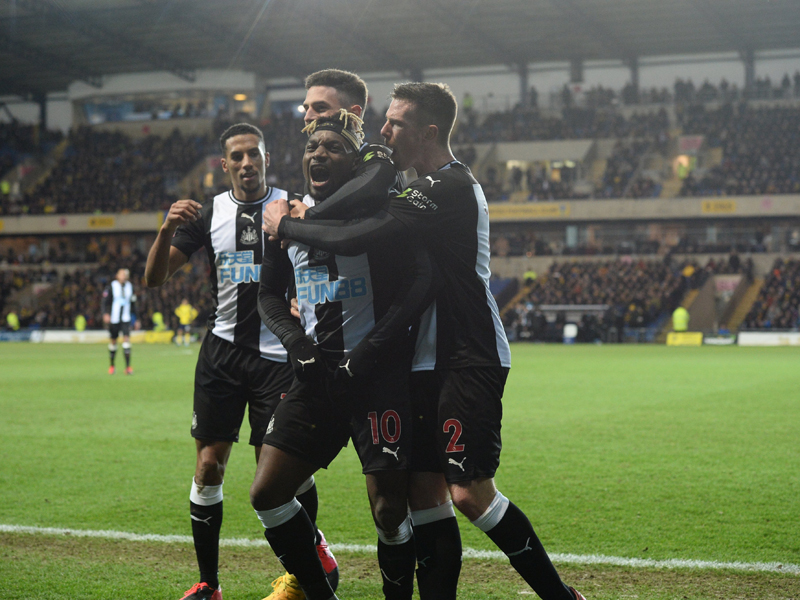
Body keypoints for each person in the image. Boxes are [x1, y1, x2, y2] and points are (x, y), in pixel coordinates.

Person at [263, 82, 587, 600]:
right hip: (418, 359)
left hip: (467, 353)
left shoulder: (449, 186)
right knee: (424, 495)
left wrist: (289, 225)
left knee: (469, 494)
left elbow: (356, 235)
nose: (383, 131)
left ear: (428, 132)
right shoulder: (407, 184)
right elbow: (361, 198)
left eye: (395, 124)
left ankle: (562, 596)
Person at [144, 123, 337, 600]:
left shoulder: (295, 206)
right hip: (223, 355)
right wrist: (167, 226)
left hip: (278, 358)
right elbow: (154, 278)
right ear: (225, 164)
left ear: (266, 158)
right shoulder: (208, 215)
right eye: (237, 156)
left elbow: (323, 270)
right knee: (208, 467)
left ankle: (307, 564)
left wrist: (304, 305)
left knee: (279, 474)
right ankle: (209, 583)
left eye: (254, 154)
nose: (247, 163)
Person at [252, 113, 436, 600]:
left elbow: (419, 282)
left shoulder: (374, 213)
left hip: (376, 380)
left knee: (389, 511)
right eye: (313, 147)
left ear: (355, 160)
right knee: (266, 493)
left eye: (333, 146)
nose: (318, 154)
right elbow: (268, 295)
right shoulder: (284, 217)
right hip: (317, 380)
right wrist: (296, 343)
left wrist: (374, 350)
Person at [295, 69, 463, 600]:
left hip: (410, 355)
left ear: (352, 115)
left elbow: (369, 235)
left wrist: (297, 222)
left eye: (320, 109)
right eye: (306, 110)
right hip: (360, 355)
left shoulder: (378, 163)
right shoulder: (327, 168)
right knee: (282, 473)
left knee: (438, 495)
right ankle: (305, 570)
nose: (308, 117)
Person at [102, 268, 135, 375]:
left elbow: (133, 303)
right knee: (113, 341)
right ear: (117, 276)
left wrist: (137, 318)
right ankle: (112, 366)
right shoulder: (111, 286)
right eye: (121, 274)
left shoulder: (130, 286)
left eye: (124, 274)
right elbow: (105, 302)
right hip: (114, 318)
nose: (123, 276)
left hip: (125, 318)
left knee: (126, 340)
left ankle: (128, 367)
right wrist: (105, 313)